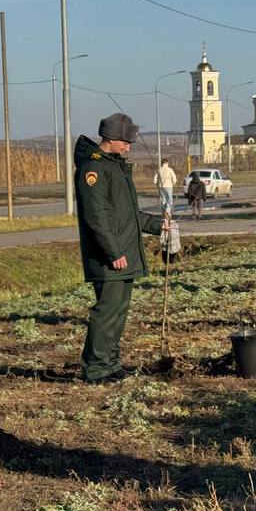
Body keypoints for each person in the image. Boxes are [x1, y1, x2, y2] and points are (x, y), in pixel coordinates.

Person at [74, 113, 167, 384]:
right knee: (106, 313)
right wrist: (113, 253)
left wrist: (159, 225)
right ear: (111, 140)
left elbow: (128, 215)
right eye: (125, 142)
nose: (128, 147)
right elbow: (97, 217)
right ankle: (95, 368)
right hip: (109, 257)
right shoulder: (94, 169)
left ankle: (111, 363)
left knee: (118, 313)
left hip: (124, 253)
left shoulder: (115, 167)